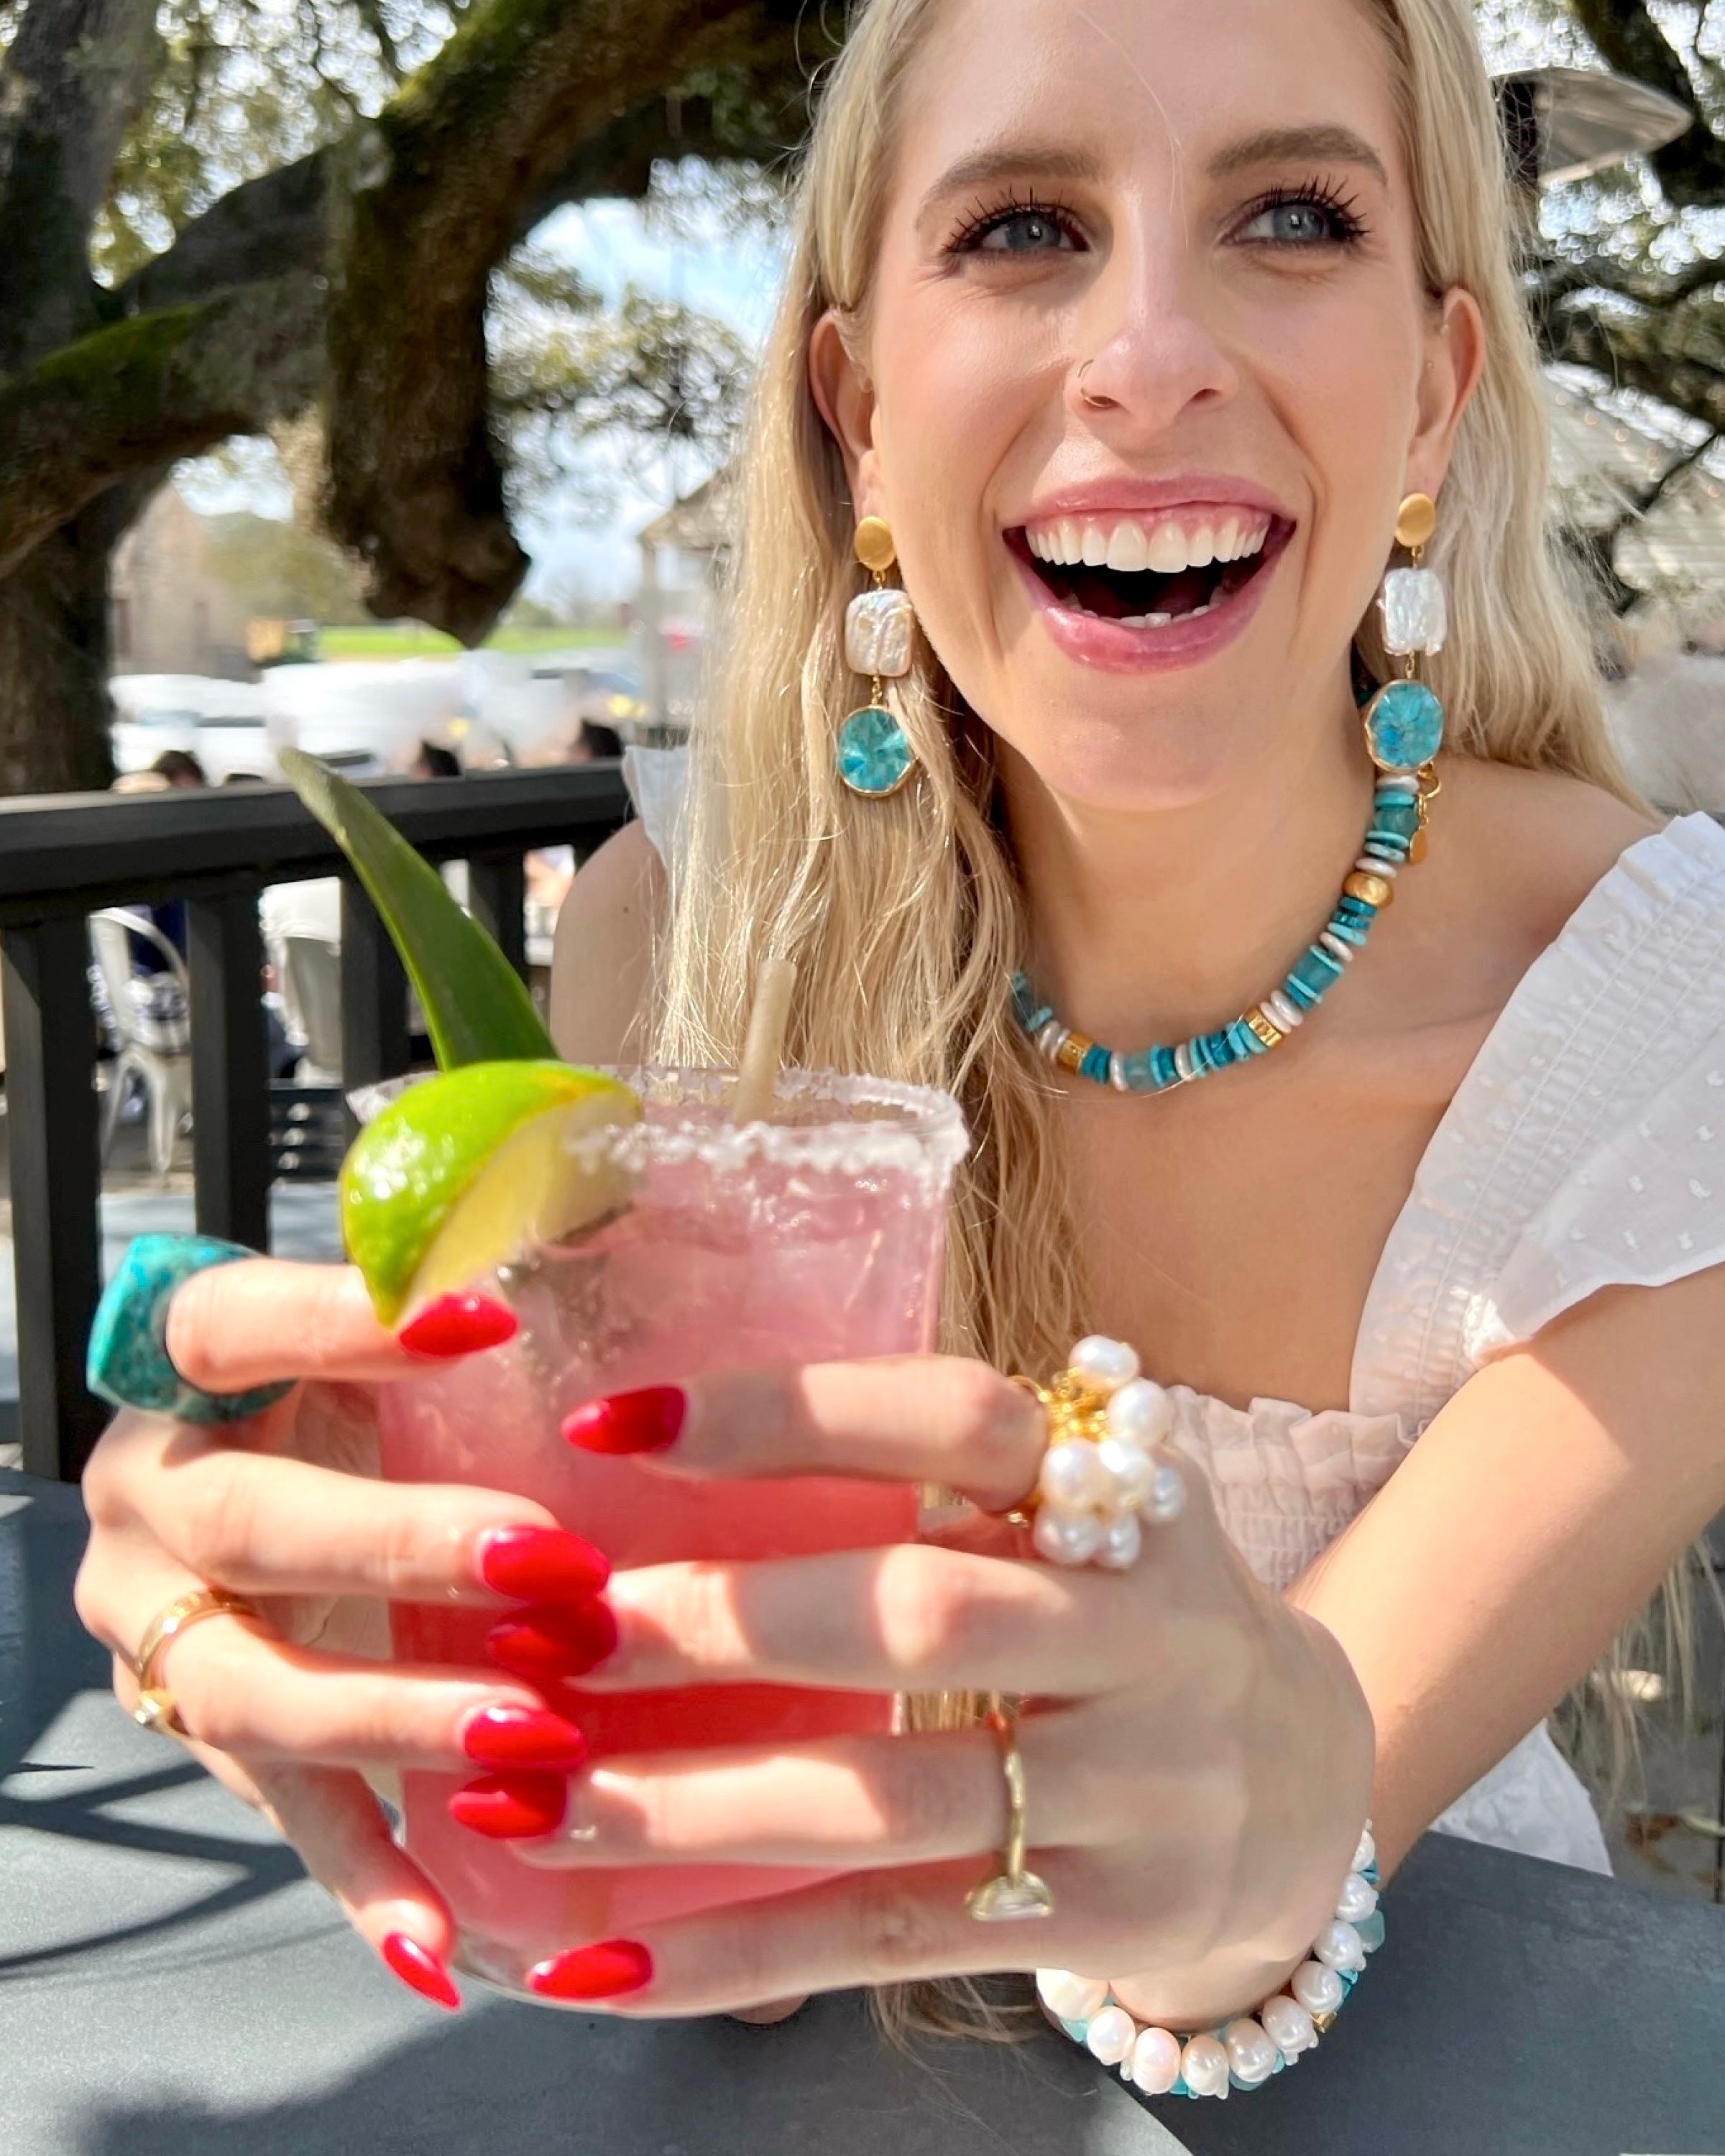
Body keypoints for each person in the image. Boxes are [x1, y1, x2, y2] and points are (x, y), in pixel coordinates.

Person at [73, 0, 1725, 2076]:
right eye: (1023, 230)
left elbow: (1276, 1843)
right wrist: (326, 1567)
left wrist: (1255, 1821)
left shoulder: (1662, 1025)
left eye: (1294, 215)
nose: (1146, 355)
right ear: (858, 417)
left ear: (1436, 401)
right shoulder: (677, 944)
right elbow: (717, 1887)